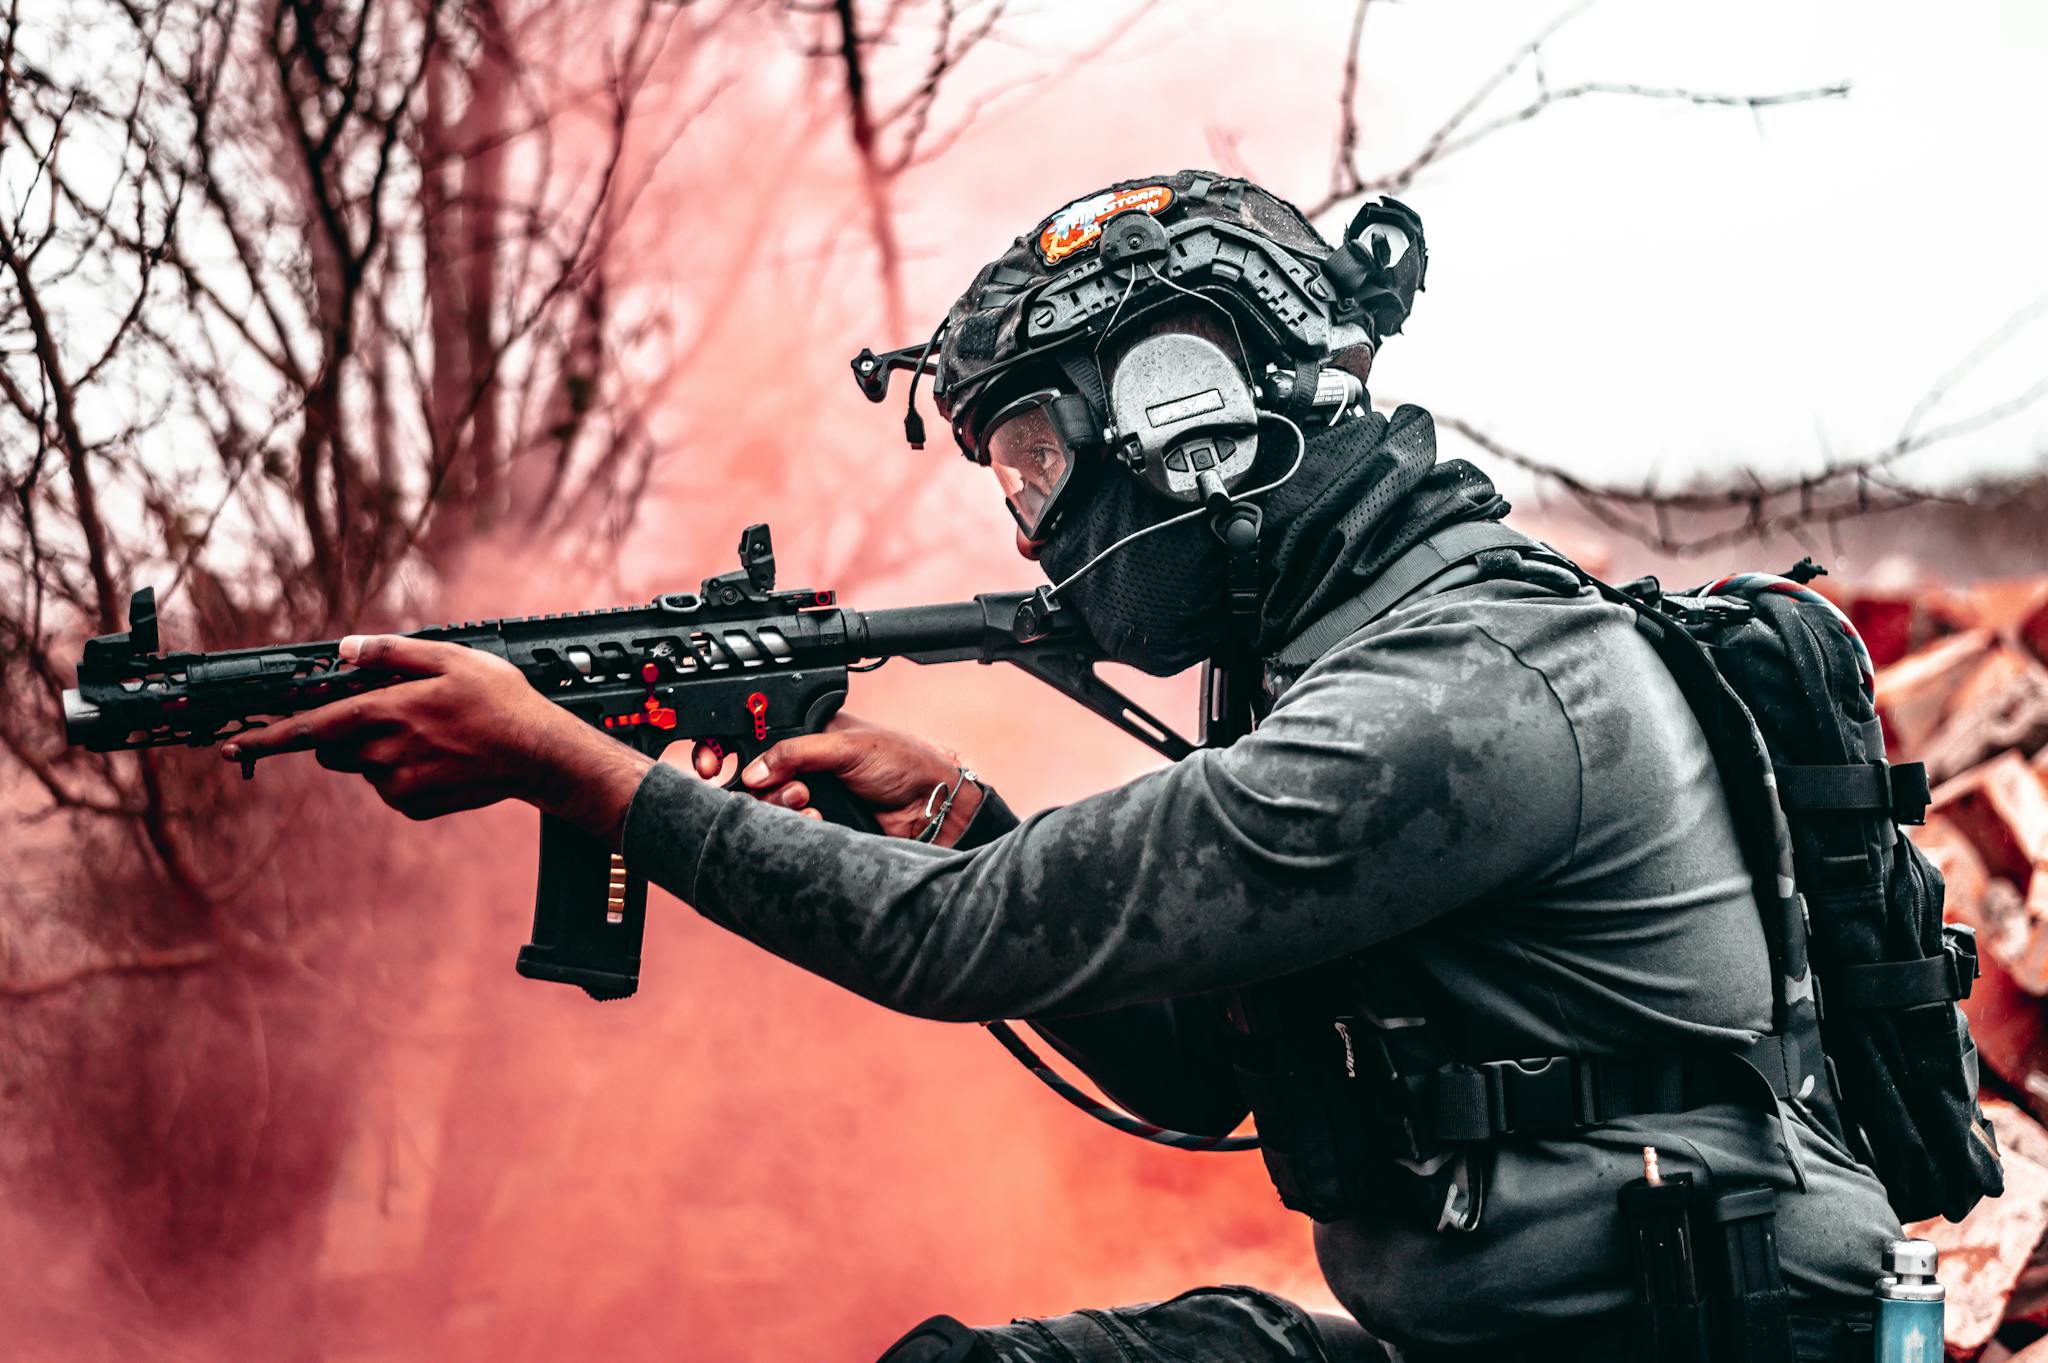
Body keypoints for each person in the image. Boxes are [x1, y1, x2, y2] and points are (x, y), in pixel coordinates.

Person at [224, 171, 1903, 1361]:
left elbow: (960, 941)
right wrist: (963, 814)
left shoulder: (1449, 700)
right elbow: (1199, 1082)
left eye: (1035, 453)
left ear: (1188, 409)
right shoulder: (1357, 663)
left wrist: (579, 773)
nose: (1034, 523)